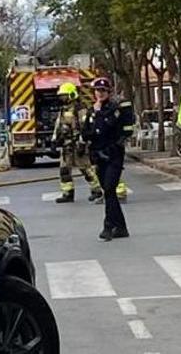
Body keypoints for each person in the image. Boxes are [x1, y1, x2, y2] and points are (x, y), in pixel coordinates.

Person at [83, 77, 134, 242]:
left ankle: (108, 227)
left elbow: (106, 127)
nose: (100, 93)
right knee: (107, 190)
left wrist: (98, 114)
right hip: (98, 155)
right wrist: (94, 114)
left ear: (109, 92)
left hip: (113, 154)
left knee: (110, 189)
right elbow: (86, 133)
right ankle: (121, 227)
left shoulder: (114, 109)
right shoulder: (91, 111)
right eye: (97, 90)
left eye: (103, 90)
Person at [52, 82, 103, 203]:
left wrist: (82, 143)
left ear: (71, 94)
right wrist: (54, 140)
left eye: (64, 95)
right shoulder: (63, 109)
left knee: (85, 169)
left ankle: (97, 190)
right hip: (66, 145)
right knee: (64, 170)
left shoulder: (80, 109)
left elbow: (85, 127)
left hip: (77, 143)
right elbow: (58, 125)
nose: (62, 98)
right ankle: (68, 193)